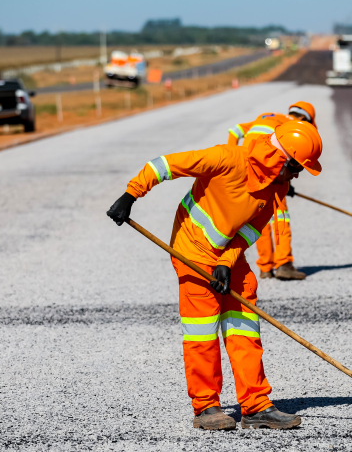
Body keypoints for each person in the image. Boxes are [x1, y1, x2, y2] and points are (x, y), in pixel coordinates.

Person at [106, 120, 323, 431]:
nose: (298, 175)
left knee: (245, 327)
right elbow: (164, 165)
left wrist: (227, 260)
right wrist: (130, 195)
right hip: (192, 251)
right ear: (281, 157)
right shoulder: (226, 158)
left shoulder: (277, 186)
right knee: (202, 332)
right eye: (297, 166)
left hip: (228, 257)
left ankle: (256, 405)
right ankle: (206, 407)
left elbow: (252, 229)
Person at [227, 101, 316, 281]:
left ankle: (265, 267)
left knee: (259, 217)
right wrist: (286, 183)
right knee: (280, 216)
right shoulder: (293, 125)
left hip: (249, 169)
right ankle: (284, 264)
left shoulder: (265, 117)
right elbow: (290, 157)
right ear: (303, 118)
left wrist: (233, 154)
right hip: (270, 170)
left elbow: (234, 131)